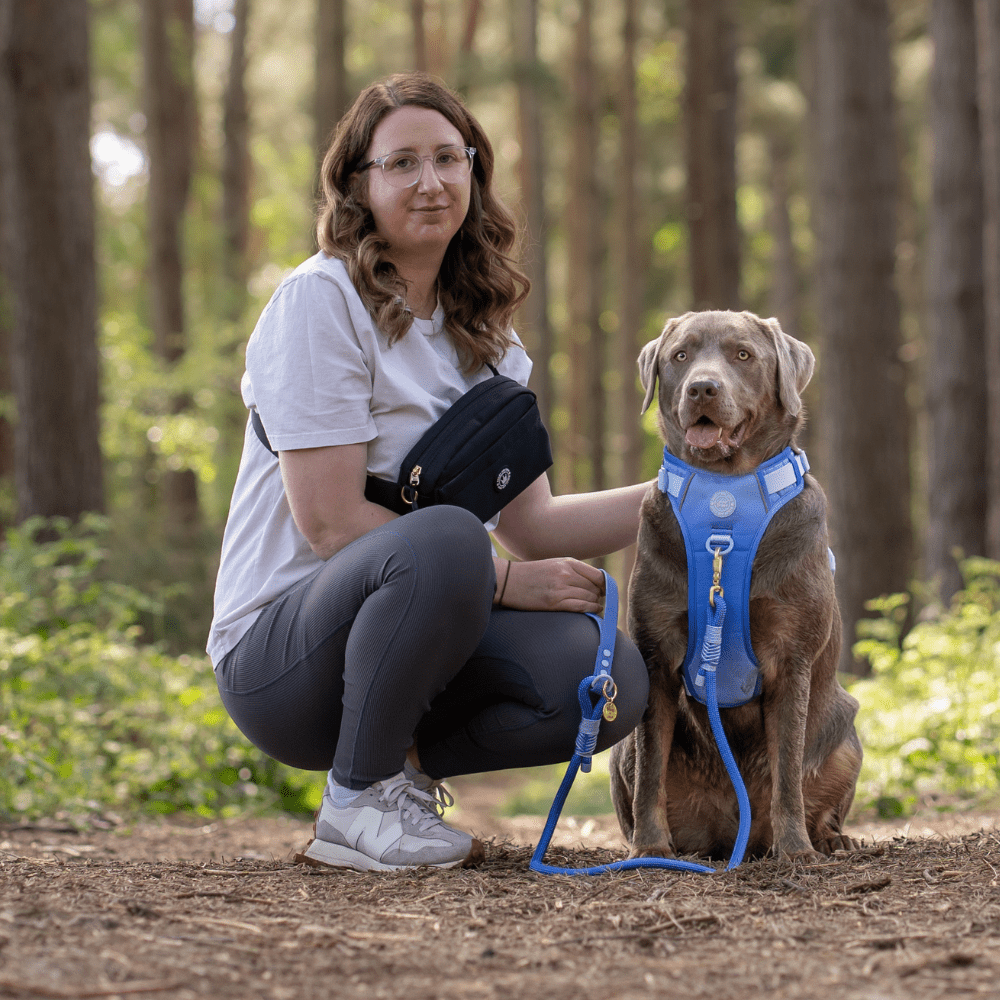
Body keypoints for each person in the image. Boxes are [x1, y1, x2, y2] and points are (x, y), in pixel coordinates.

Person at [207, 72, 652, 873]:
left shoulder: (487, 337)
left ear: (475, 174)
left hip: (414, 638)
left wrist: (686, 497)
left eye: (450, 158)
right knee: (444, 537)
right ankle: (356, 799)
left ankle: (400, 779)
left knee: (605, 671)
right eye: (402, 162)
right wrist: (506, 583)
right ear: (358, 185)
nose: (430, 181)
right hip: (280, 659)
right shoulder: (321, 301)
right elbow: (331, 523)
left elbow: (537, 526)